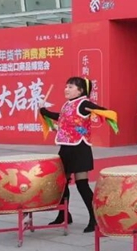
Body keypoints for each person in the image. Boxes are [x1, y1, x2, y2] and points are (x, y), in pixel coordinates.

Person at [39, 77, 113, 233]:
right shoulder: (68, 104)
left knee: (82, 185)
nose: (66, 89)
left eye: (71, 87)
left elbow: (103, 111)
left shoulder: (84, 103)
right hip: (66, 148)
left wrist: (94, 120)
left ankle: (95, 218)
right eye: (66, 86)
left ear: (80, 91)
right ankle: (64, 214)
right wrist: (44, 111)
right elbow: (62, 118)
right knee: (62, 183)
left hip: (80, 148)